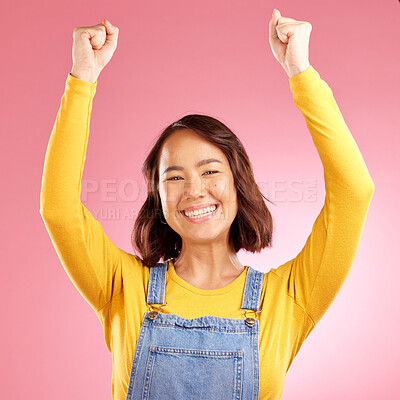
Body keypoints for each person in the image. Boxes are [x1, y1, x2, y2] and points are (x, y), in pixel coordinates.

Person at [40, 9, 375, 400]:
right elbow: (58, 209)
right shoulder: (122, 287)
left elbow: (354, 193)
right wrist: (82, 80)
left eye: (211, 171)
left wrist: (300, 73)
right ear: (159, 198)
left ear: (239, 183)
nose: (194, 190)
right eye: (174, 177)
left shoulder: (288, 298)